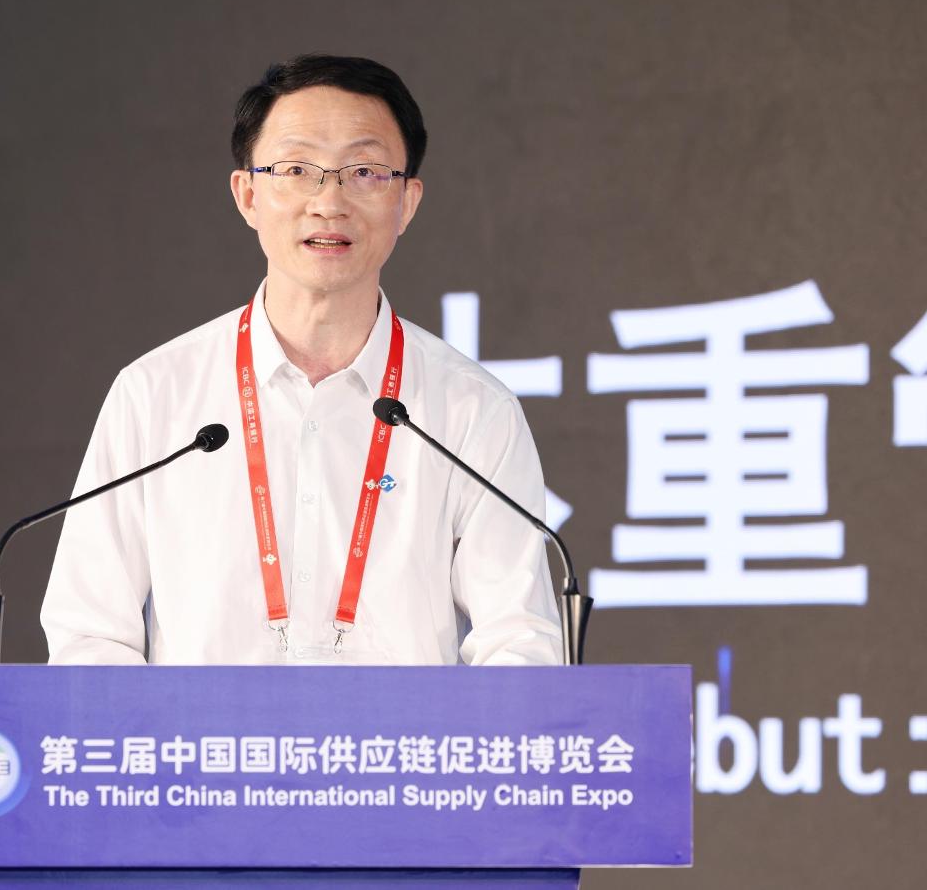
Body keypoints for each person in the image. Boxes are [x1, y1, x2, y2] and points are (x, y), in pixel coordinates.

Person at [42, 54, 563, 665]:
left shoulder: (472, 410)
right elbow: (90, 634)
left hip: (402, 733)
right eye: (296, 169)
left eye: (365, 171)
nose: (329, 201)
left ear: (407, 202)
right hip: (201, 732)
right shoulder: (156, 393)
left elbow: (518, 643)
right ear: (248, 195)